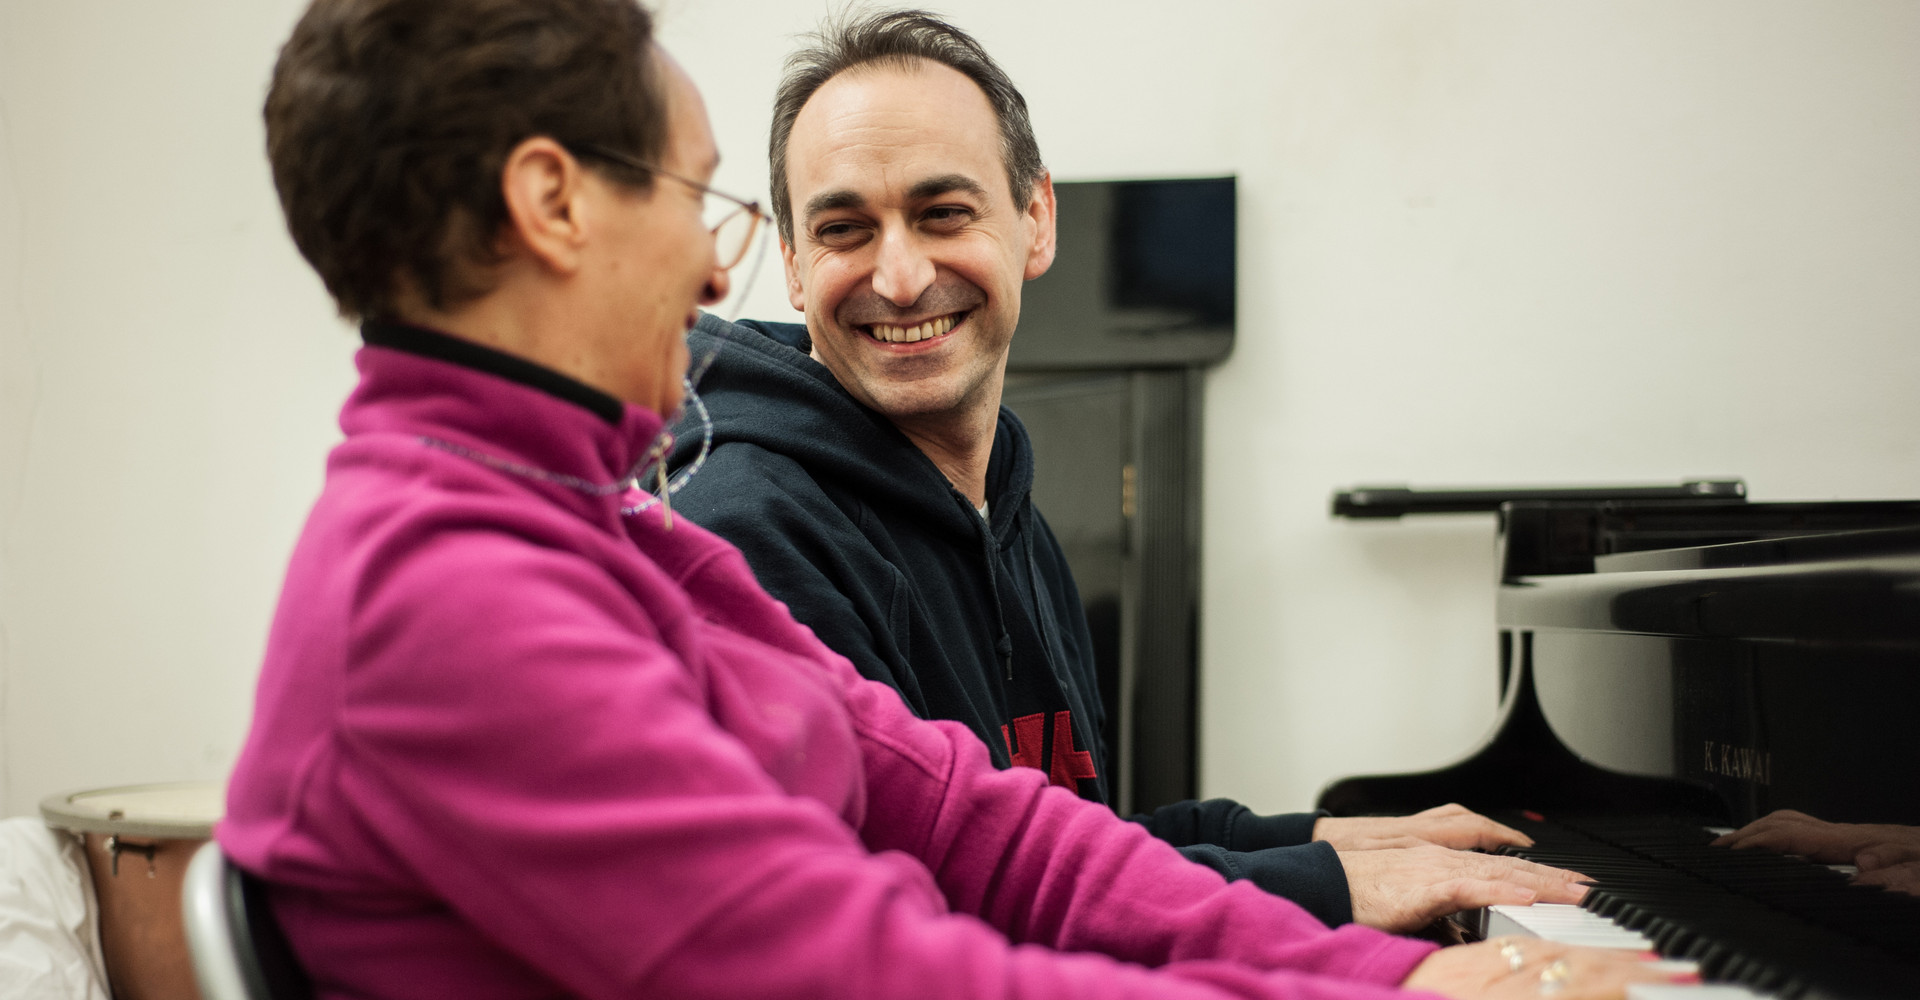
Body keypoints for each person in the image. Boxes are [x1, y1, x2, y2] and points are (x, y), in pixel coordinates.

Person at [219, 1, 1676, 998]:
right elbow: (865, 970)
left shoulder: (607, 534)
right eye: (699, 199)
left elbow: (982, 828)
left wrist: (1394, 964)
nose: (717, 274)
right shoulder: (444, 602)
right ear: (551, 204)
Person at [667, 9, 1584, 933]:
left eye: (943, 212)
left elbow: (1081, 842)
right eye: (844, 229)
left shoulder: (1000, 507)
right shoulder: (745, 530)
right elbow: (923, 920)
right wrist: (1325, 888)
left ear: (1035, 220)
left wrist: (1321, 839)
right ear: (792, 262)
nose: (900, 277)